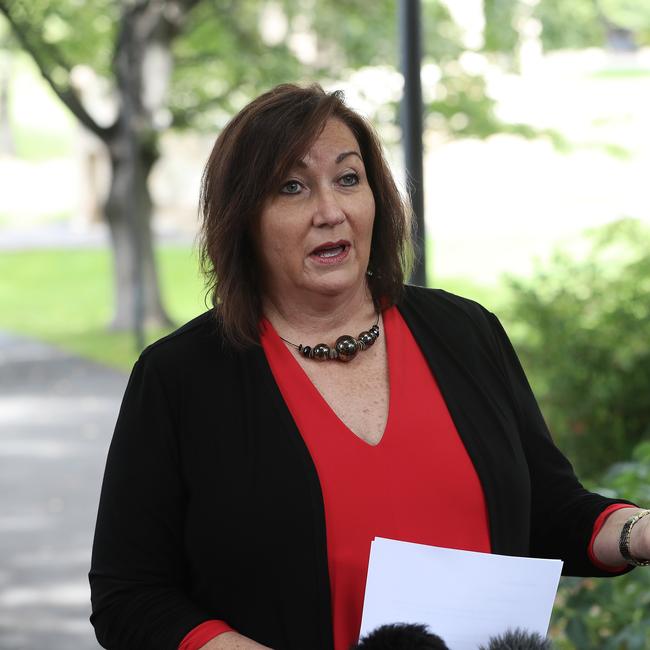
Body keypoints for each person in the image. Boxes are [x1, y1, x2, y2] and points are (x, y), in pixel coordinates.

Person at [89, 83, 650, 650]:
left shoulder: (465, 332)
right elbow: (129, 596)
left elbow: (550, 511)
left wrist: (637, 532)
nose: (330, 211)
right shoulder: (181, 377)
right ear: (244, 218)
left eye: (348, 178)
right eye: (292, 187)